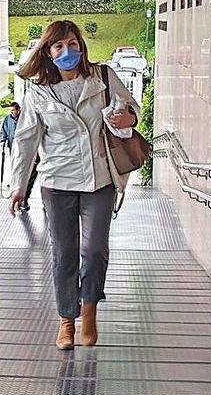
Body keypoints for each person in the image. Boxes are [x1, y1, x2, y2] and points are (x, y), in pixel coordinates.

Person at [9, 20, 139, 351]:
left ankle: (89, 306)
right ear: (49, 53)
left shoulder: (103, 77)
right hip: (57, 180)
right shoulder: (38, 92)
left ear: (80, 45)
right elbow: (25, 141)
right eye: (58, 47)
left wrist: (129, 119)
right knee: (64, 252)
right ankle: (67, 320)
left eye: (72, 44)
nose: (67, 52)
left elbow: (132, 109)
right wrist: (18, 187)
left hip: (99, 178)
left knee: (95, 249)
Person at [0, 102, 38, 211]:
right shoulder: (8, 119)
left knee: (29, 173)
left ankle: (24, 197)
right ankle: (16, 189)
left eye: (13, 110)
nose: (12, 113)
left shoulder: (25, 119)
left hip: (27, 149)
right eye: (10, 111)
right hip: (14, 148)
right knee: (16, 168)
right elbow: (4, 130)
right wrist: (3, 140)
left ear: (19, 110)